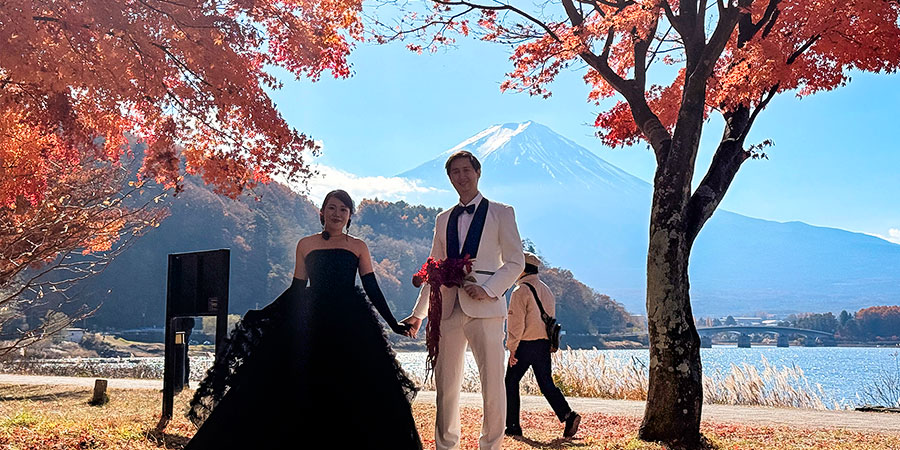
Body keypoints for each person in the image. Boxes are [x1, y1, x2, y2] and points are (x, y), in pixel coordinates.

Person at [185, 189, 422, 449]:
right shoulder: (306, 244)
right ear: (322, 212)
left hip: (350, 325)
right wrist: (265, 312)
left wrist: (392, 323)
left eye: (343, 209)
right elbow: (297, 288)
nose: (337, 213)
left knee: (356, 389)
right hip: (310, 322)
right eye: (332, 207)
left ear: (350, 215)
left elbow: (372, 288)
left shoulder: (357, 246)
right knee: (297, 385)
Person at [403, 150, 524, 450]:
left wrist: (490, 289)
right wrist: (418, 314)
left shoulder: (501, 212)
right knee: (446, 386)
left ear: (478, 172)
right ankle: (446, 446)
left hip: (486, 308)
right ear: (449, 178)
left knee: (493, 385)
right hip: (448, 309)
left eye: (466, 170)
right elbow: (435, 269)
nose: (461, 176)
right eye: (454, 172)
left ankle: (491, 446)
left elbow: (515, 261)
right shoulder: (443, 218)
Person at [504, 251, 581, 438]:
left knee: (510, 381)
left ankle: (513, 425)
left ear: (521, 269)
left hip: (525, 344)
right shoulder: (546, 290)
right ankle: (568, 415)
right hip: (543, 345)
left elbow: (516, 323)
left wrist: (512, 347)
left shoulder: (520, 291)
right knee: (546, 384)